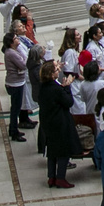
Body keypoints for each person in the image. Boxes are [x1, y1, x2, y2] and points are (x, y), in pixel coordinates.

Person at [37, 60, 80, 188]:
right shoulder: (56, 89)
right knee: (62, 151)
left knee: (52, 151)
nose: (59, 71)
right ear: (51, 74)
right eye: (56, 70)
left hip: (48, 122)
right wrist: (67, 87)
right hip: (60, 123)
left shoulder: (44, 87)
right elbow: (68, 102)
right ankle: (60, 177)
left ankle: (51, 177)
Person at [2, 31, 29, 142]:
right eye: (15, 38)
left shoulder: (14, 51)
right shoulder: (11, 53)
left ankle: (14, 128)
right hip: (15, 83)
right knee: (15, 108)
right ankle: (14, 131)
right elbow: (23, 65)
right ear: (11, 42)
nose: (18, 40)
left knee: (16, 107)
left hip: (18, 81)